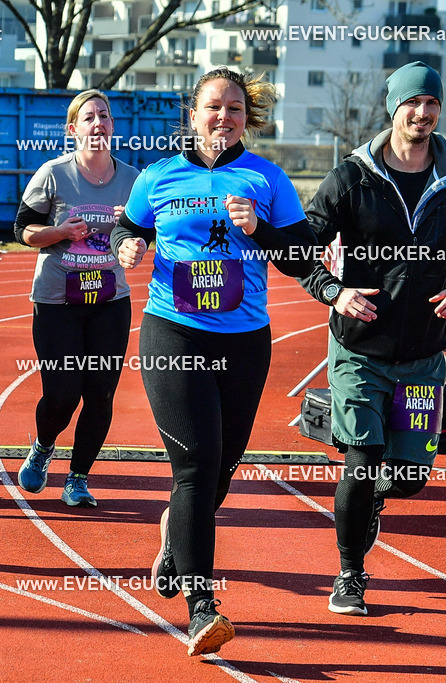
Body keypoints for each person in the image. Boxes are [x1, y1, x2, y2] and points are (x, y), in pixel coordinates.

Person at [112, 67, 317, 656]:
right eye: (213, 107)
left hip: (245, 341)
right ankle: (202, 607)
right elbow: (128, 231)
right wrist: (129, 245)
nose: (223, 117)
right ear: (193, 114)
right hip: (174, 333)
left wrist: (262, 230)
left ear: (245, 118)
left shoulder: (267, 178)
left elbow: (302, 257)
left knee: (222, 466)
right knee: (198, 465)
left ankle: (175, 536)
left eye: (234, 108)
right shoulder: (157, 176)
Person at [298, 61, 446, 616]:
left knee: (410, 477)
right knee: (362, 459)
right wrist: (333, 291)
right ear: (393, 108)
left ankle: (370, 500)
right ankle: (350, 574)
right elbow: (301, 246)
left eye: (432, 103)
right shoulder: (352, 178)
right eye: (412, 102)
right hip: (360, 349)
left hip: (422, 357)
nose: (423, 112)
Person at [13, 90, 139, 507]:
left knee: (101, 393)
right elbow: (23, 231)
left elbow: (148, 233)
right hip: (57, 301)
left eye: (104, 115)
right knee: (63, 393)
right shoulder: (53, 174)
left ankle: (78, 477)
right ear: (73, 129)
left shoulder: (133, 180)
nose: (98, 122)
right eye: (89, 117)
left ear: (113, 126)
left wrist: (132, 234)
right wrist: (61, 232)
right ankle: (44, 445)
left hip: (110, 301)